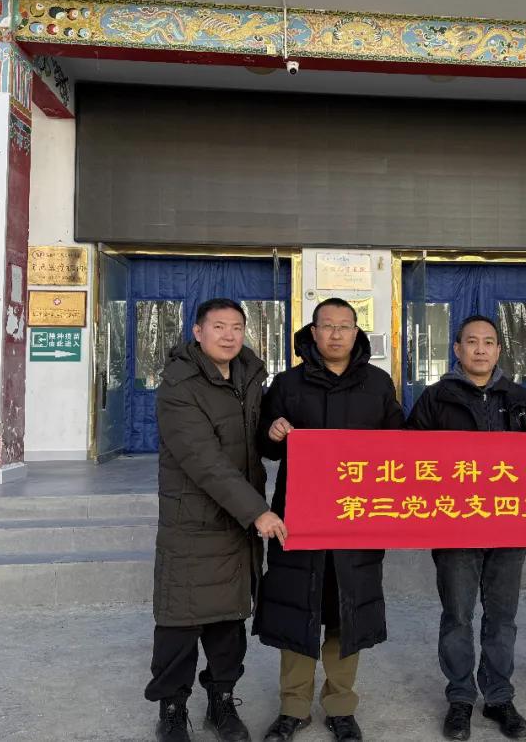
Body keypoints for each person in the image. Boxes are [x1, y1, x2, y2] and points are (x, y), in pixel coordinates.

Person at [255, 298, 405, 742]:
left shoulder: (377, 383)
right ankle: (293, 707)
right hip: (298, 517)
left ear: (357, 333)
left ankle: (341, 707)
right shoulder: (288, 383)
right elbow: (263, 444)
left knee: (347, 614)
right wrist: (273, 432)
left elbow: (400, 444)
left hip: (356, 518)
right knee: (297, 611)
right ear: (313, 332)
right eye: (327, 326)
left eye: (345, 327)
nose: (336, 334)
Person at [145, 298, 288, 742]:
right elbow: (204, 461)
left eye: (237, 327)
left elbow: (251, 444)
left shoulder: (248, 376)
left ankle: (221, 702)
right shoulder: (179, 386)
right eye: (219, 326)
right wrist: (258, 510)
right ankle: (172, 710)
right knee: (180, 622)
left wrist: (273, 433)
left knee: (229, 621)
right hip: (194, 523)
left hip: (236, 524)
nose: (229, 335)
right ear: (198, 331)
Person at [407, 315, 526, 741]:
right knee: (457, 616)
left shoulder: (521, 398)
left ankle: (499, 697)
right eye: (472, 342)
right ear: (457, 349)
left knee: (502, 618)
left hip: (509, 524)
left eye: (489, 342)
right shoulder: (436, 398)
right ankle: (461, 698)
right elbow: (408, 458)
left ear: (499, 350)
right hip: (455, 526)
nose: (480, 349)